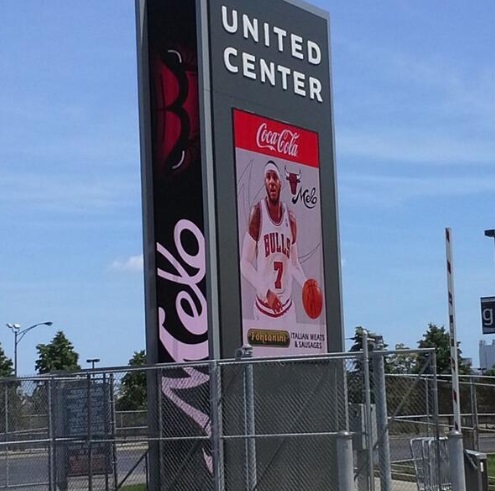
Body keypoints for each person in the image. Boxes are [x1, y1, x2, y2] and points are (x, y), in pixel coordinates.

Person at [240, 160, 307, 325]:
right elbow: (245, 263)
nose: (271, 181)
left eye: (274, 177)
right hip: (264, 309)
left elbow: (294, 263)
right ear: (264, 182)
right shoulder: (258, 214)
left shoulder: (290, 219)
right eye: (267, 177)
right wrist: (266, 292)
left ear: (281, 183)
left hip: (287, 309)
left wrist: (306, 285)